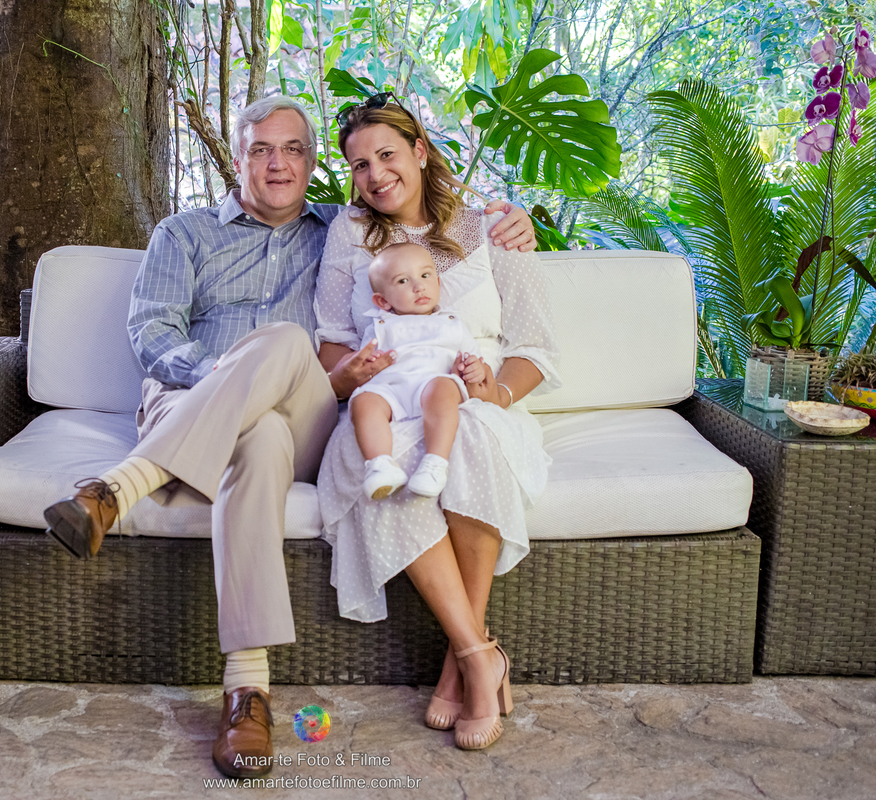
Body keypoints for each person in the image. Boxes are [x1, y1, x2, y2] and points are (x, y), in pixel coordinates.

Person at [40, 95, 537, 778]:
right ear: (235, 159)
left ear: (311, 163)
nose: (279, 163)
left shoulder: (343, 231)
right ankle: (248, 692)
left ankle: (119, 487)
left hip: (304, 404)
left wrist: (513, 218)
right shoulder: (183, 235)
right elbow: (151, 335)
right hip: (193, 409)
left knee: (277, 348)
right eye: (261, 149)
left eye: (295, 149)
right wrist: (223, 375)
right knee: (264, 430)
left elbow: (418, 224)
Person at [315, 94, 561, 751]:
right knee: (384, 459)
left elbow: (536, 350)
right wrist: (356, 371)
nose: (375, 174)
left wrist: (495, 392)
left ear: (420, 151)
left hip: (475, 400)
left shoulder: (493, 228)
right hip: (387, 402)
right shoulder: (349, 235)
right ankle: (480, 657)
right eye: (359, 164)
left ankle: (462, 663)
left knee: (473, 431)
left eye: (387, 154)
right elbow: (331, 344)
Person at [349, 242, 484, 500]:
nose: (418, 286)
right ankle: (379, 464)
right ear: (382, 301)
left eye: (425, 276)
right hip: (391, 386)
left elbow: (473, 359)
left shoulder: (451, 323)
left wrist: (471, 368)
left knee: (442, 388)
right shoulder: (380, 325)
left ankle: (435, 463)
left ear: (438, 283)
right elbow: (366, 364)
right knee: (364, 401)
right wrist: (370, 363)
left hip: (433, 382)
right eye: (402, 281)